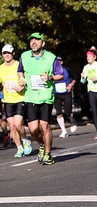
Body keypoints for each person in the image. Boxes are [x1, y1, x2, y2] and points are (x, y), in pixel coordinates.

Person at [17, 32, 64, 165]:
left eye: (37, 40)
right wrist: (21, 78)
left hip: (45, 97)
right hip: (31, 97)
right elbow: (20, 70)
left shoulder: (51, 58)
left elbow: (60, 75)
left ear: (43, 43)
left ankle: (48, 155)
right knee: (33, 129)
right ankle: (42, 145)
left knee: (45, 126)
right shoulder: (24, 56)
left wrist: (50, 78)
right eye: (31, 40)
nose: (33, 42)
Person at [0, 44, 32, 156]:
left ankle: (25, 140)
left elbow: (26, 80)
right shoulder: (1, 68)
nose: (7, 55)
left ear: (13, 53)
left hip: (20, 98)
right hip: (8, 100)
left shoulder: (19, 65)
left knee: (18, 124)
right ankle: (19, 148)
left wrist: (21, 87)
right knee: (12, 126)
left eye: (9, 53)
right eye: (4, 53)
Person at [54, 56, 78, 138]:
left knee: (67, 112)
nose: (57, 63)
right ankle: (63, 131)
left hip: (66, 93)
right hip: (57, 94)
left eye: (59, 61)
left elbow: (75, 78)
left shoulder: (67, 70)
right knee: (58, 113)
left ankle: (72, 121)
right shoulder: (52, 71)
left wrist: (71, 85)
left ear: (61, 62)